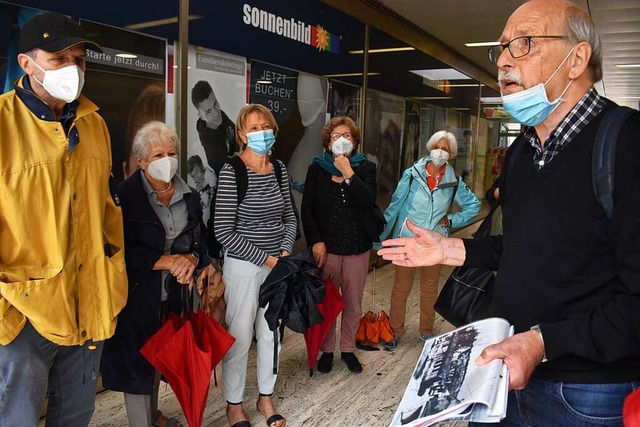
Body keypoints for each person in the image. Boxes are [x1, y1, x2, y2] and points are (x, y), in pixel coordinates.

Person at [378, 1, 640, 425]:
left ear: (576, 59)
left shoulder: (626, 145)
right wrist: (451, 250)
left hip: (588, 396)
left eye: (525, 43)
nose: (502, 60)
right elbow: (522, 248)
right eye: (501, 47)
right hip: (503, 373)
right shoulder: (521, 152)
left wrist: (542, 342)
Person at [0, 12, 128, 426]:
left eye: (80, 59)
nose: (72, 69)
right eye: (58, 59)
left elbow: (109, 214)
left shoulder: (95, 124)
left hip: (89, 306)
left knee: (75, 415)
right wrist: (7, 316)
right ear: (26, 63)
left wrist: (112, 276)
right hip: (23, 315)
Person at [101, 121, 213, 427]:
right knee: (137, 364)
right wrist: (168, 261)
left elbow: (201, 240)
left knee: (160, 356)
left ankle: (153, 415)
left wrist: (190, 258)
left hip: (175, 295)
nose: (168, 160)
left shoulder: (188, 194)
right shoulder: (125, 196)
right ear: (140, 161)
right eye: (158, 154)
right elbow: (118, 250)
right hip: (137, 296)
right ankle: (142, 422)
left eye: (172, 152)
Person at [214, 104, 296, 427]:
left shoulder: (278, 169)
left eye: (266, 126)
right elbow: (223, 231)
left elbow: (289, 216)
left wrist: (286, 248)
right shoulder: (232, 170)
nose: (261, 132)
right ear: (241, 134)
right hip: (244, 267)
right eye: (254, 127)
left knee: (271, 333)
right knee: (240, 336)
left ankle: (266, 397)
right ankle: (234, 404)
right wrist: (265, 257)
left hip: (277, 265)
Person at [379, 131, 480, 351]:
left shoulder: (453, 182)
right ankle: (395, 331)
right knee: (400, 288)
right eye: (437, 146)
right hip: (407, 240)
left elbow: (474, 206)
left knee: (429, 288)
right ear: (429, 147)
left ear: (451, 154)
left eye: (445, 149)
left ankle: (426, 330)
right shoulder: (412, 174)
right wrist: (381, 236)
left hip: (434, 243)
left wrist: (451, 220)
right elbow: (395, 205)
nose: (440, 152)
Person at [301, 116, 379, 374]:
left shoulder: (365, 168)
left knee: (353, 304)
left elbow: (368, 199)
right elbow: (308, 209)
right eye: (336, 136)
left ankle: (347, 349)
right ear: (328, 141)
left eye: (347, 136)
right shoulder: (317, 169)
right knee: (327, 303)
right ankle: (327, 350)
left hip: (358, 247)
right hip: (328, 249)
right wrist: (316, 241)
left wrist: (348, 173)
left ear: (355, 141)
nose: (342, 140)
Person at [191, 80, 238, 176]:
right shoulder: (212, 149)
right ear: (201, 116)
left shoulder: (221, 118)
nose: (216, 113)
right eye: (208, 111)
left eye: (215, 104)